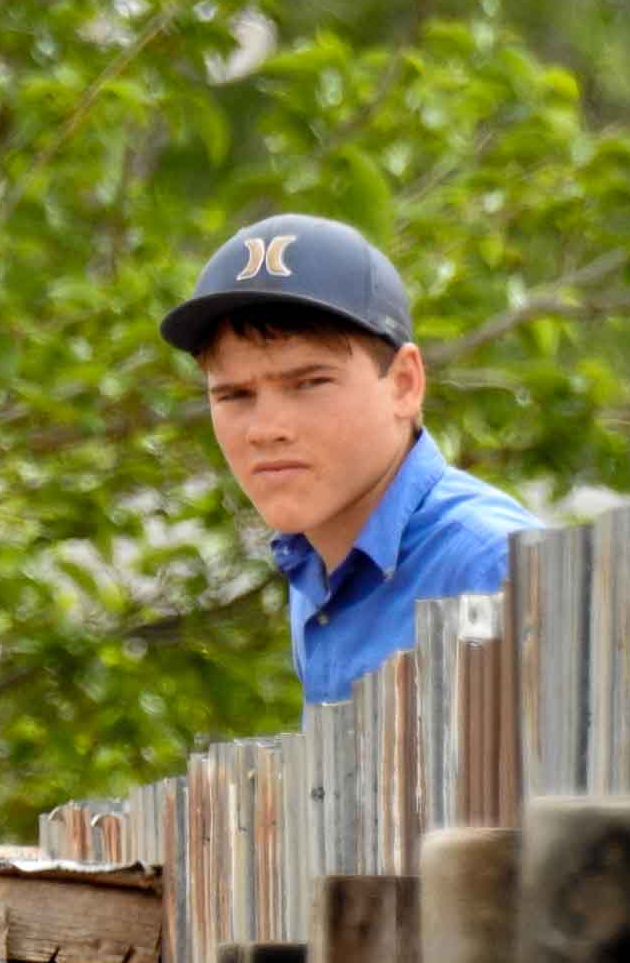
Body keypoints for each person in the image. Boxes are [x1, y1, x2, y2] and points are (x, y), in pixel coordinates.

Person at [159, 213, 540, 704]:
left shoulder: (494, 568)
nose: (266, 430)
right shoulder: (317, 566)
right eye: (234, 395)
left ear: (404, 384)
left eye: (309, 383)